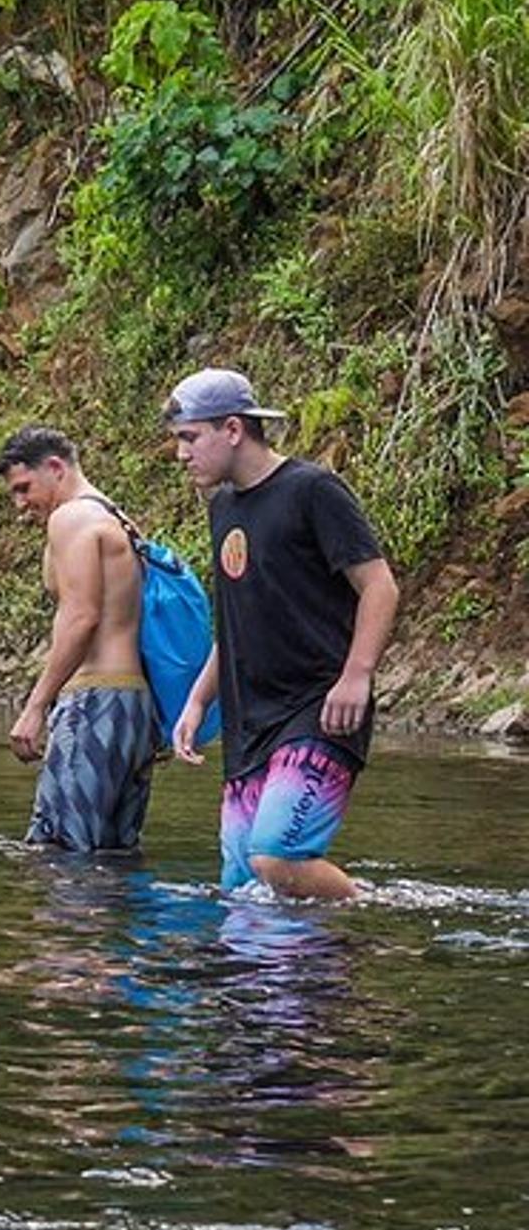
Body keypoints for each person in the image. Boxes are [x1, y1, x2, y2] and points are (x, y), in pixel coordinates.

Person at [165, 368, 400, 900]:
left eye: (190, 438)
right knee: (242, 888)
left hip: (320, 707)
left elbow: (379, 586)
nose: (181, 454)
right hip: (250, 720)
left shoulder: (312, 490)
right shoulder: (223, 507)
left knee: (277, 855)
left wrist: (357, 675)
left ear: (232, 429)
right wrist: (198, 701)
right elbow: (239, 620)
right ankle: (301, 954)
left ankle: (371, 920)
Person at [0, 425, 156, 853]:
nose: (20, 504)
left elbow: (81, 617)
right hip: (133, 705)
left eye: (24, 488)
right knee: (113, 854)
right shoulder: (116, 517)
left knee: (61, 853)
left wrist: (35, 707)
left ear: (55, 467)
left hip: (94, 700)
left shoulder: (71, 518)